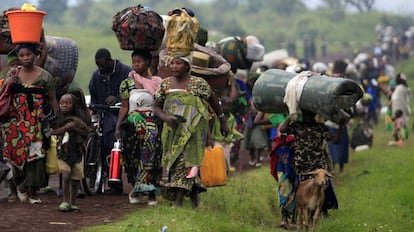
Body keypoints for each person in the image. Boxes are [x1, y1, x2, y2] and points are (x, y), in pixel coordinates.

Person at [154, 55, 230, 209]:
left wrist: (222, 122)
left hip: (195, 131)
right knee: (180, 165)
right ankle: (195, 200)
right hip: (173, 132)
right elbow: (156, 106)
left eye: (178, 63)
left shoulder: (199, 84)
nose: (174, 66)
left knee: (187, 162)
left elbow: (214, 102)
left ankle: (179, 202)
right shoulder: (166, 84)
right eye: (172, 63)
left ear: (188, 66)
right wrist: (166, 118)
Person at [0, 43, 58, 204]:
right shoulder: (13, 74)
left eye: (28, 55)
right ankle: (21, 186)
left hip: (36, 122)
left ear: (36, 55)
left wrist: (56, 118)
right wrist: (8, 83)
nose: (25, 58)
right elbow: (2, 94)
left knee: (36, 155)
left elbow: (52, 98)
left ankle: (32, 192)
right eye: (22, 55)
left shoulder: (45, 76)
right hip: (14, 124)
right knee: (16, 155)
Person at [114, 50, 162, 205]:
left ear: (148, 62)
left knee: (152, 153)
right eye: (134, 61)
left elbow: (161, 106)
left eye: (139, 61)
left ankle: (151, 191)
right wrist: (118, 125)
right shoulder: (127, 83)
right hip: (133, 120)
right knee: (133, 157)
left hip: (152, 120)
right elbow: (125, 106)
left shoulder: (157, 83)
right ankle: (137, 187)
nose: (136, 64)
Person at [279, 109, 344, 216]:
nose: (307, 116)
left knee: (321, 187)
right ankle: (298, 211)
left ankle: (322, 209)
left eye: (310, 114)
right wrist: (290, 118)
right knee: (301, 188)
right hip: (301, 164)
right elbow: (282, 129)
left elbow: (335, 140)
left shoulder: (320, 127)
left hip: (317, 165)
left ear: (314, 114)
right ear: (302, 115)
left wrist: (340, 126)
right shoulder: (297, 125)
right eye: (305, 114)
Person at [88, 48, 132, 194]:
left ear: (109, 60)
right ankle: (100, 174)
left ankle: (115, 180)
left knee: (113, 140)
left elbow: (133, 93)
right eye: (97, 66)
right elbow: (93, 96)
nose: (100, 69)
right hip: (104, 112)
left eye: (102, 65)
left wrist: (118, 98)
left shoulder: (126, 72)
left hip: (122, 113)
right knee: (97, 137)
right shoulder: (96, 76)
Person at [51, 89, 90, 212]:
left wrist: (74, 129)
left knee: (75, 180)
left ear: (74, 105)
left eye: (68, 103)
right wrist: (64, 128)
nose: (64, 105)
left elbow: (86, 133)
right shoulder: (57, 119)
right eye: (62, 103)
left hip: (77, 152)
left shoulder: (78, 121)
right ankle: (65, 201)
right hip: (63, 152)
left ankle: (73, 203)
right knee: (66, 175)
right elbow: (52, 132)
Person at [325, 59, 350, 175]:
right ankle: (339, 168)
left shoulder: (330, 81)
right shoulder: (344, 82)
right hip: (338, 122)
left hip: (333, 121)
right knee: (339, 145)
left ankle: (335, 168)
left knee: (335, 146)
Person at [211, 96, 243, 173]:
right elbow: (213, 127)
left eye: (229, 105)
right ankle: (217, 174)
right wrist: (211, 139)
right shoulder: (215, 116)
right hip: (217, 140)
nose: (227, 107)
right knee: (218, 158)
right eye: (225, 105)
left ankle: (225, 175)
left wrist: (240, 136)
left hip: (227, 142)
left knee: (226, 160)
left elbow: (231, 130)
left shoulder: (231, 118)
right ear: (221, 105)